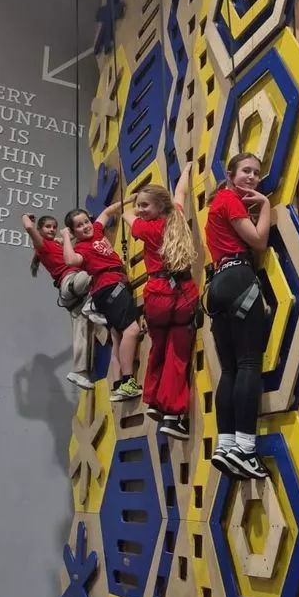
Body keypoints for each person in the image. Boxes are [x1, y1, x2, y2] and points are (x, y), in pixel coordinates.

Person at [204, 152, 271, 480]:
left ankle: (226, 444)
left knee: (230, 369)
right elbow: (258, 241)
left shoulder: (218, 203)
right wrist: (266, 206)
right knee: (248, 363)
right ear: (231, 174)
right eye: (247, 171)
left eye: (257, 173)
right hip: (239, 278)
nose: (253, 177)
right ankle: (245, 449)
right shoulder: (230, 200)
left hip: (217, 285)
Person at [120, 164, 199, 439]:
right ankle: (172, 413)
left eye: (146, 205)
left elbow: (126, 215)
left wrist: (131, 203)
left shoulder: (148, 229)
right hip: (184, 292)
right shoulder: (174, 217)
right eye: (140, 205)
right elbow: (181, 192)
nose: (140, 210)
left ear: (158, 207)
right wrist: (186, 171)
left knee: (158, 349)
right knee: (177, 355)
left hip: (157, 294)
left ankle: (155, 400)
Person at [62, 202, 142, 402]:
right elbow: (71, 261)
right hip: (109, 286)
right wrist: (65, 237)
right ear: (73, 231)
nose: (86, 226)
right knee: (132, 330)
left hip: (111, 287)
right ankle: (127, 381)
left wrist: (132, 198)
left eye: (86, 222)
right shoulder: (81, 247)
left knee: (117, 337)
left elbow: (106, 212)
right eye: (79, 226)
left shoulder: (97, 231)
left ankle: (117, 385)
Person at [22, 213, 106, 391]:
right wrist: (26, 216)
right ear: (40, 230)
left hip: (73, 293)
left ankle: (79, 372)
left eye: (54, 226)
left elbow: (75, 234)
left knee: (82, 330)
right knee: (98, 267)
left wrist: (85, 220)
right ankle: (92, 304)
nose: (52, 230)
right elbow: (28, 227)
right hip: (70, 282)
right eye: (47, 227)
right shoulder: (42, 244)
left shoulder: (56, 243)